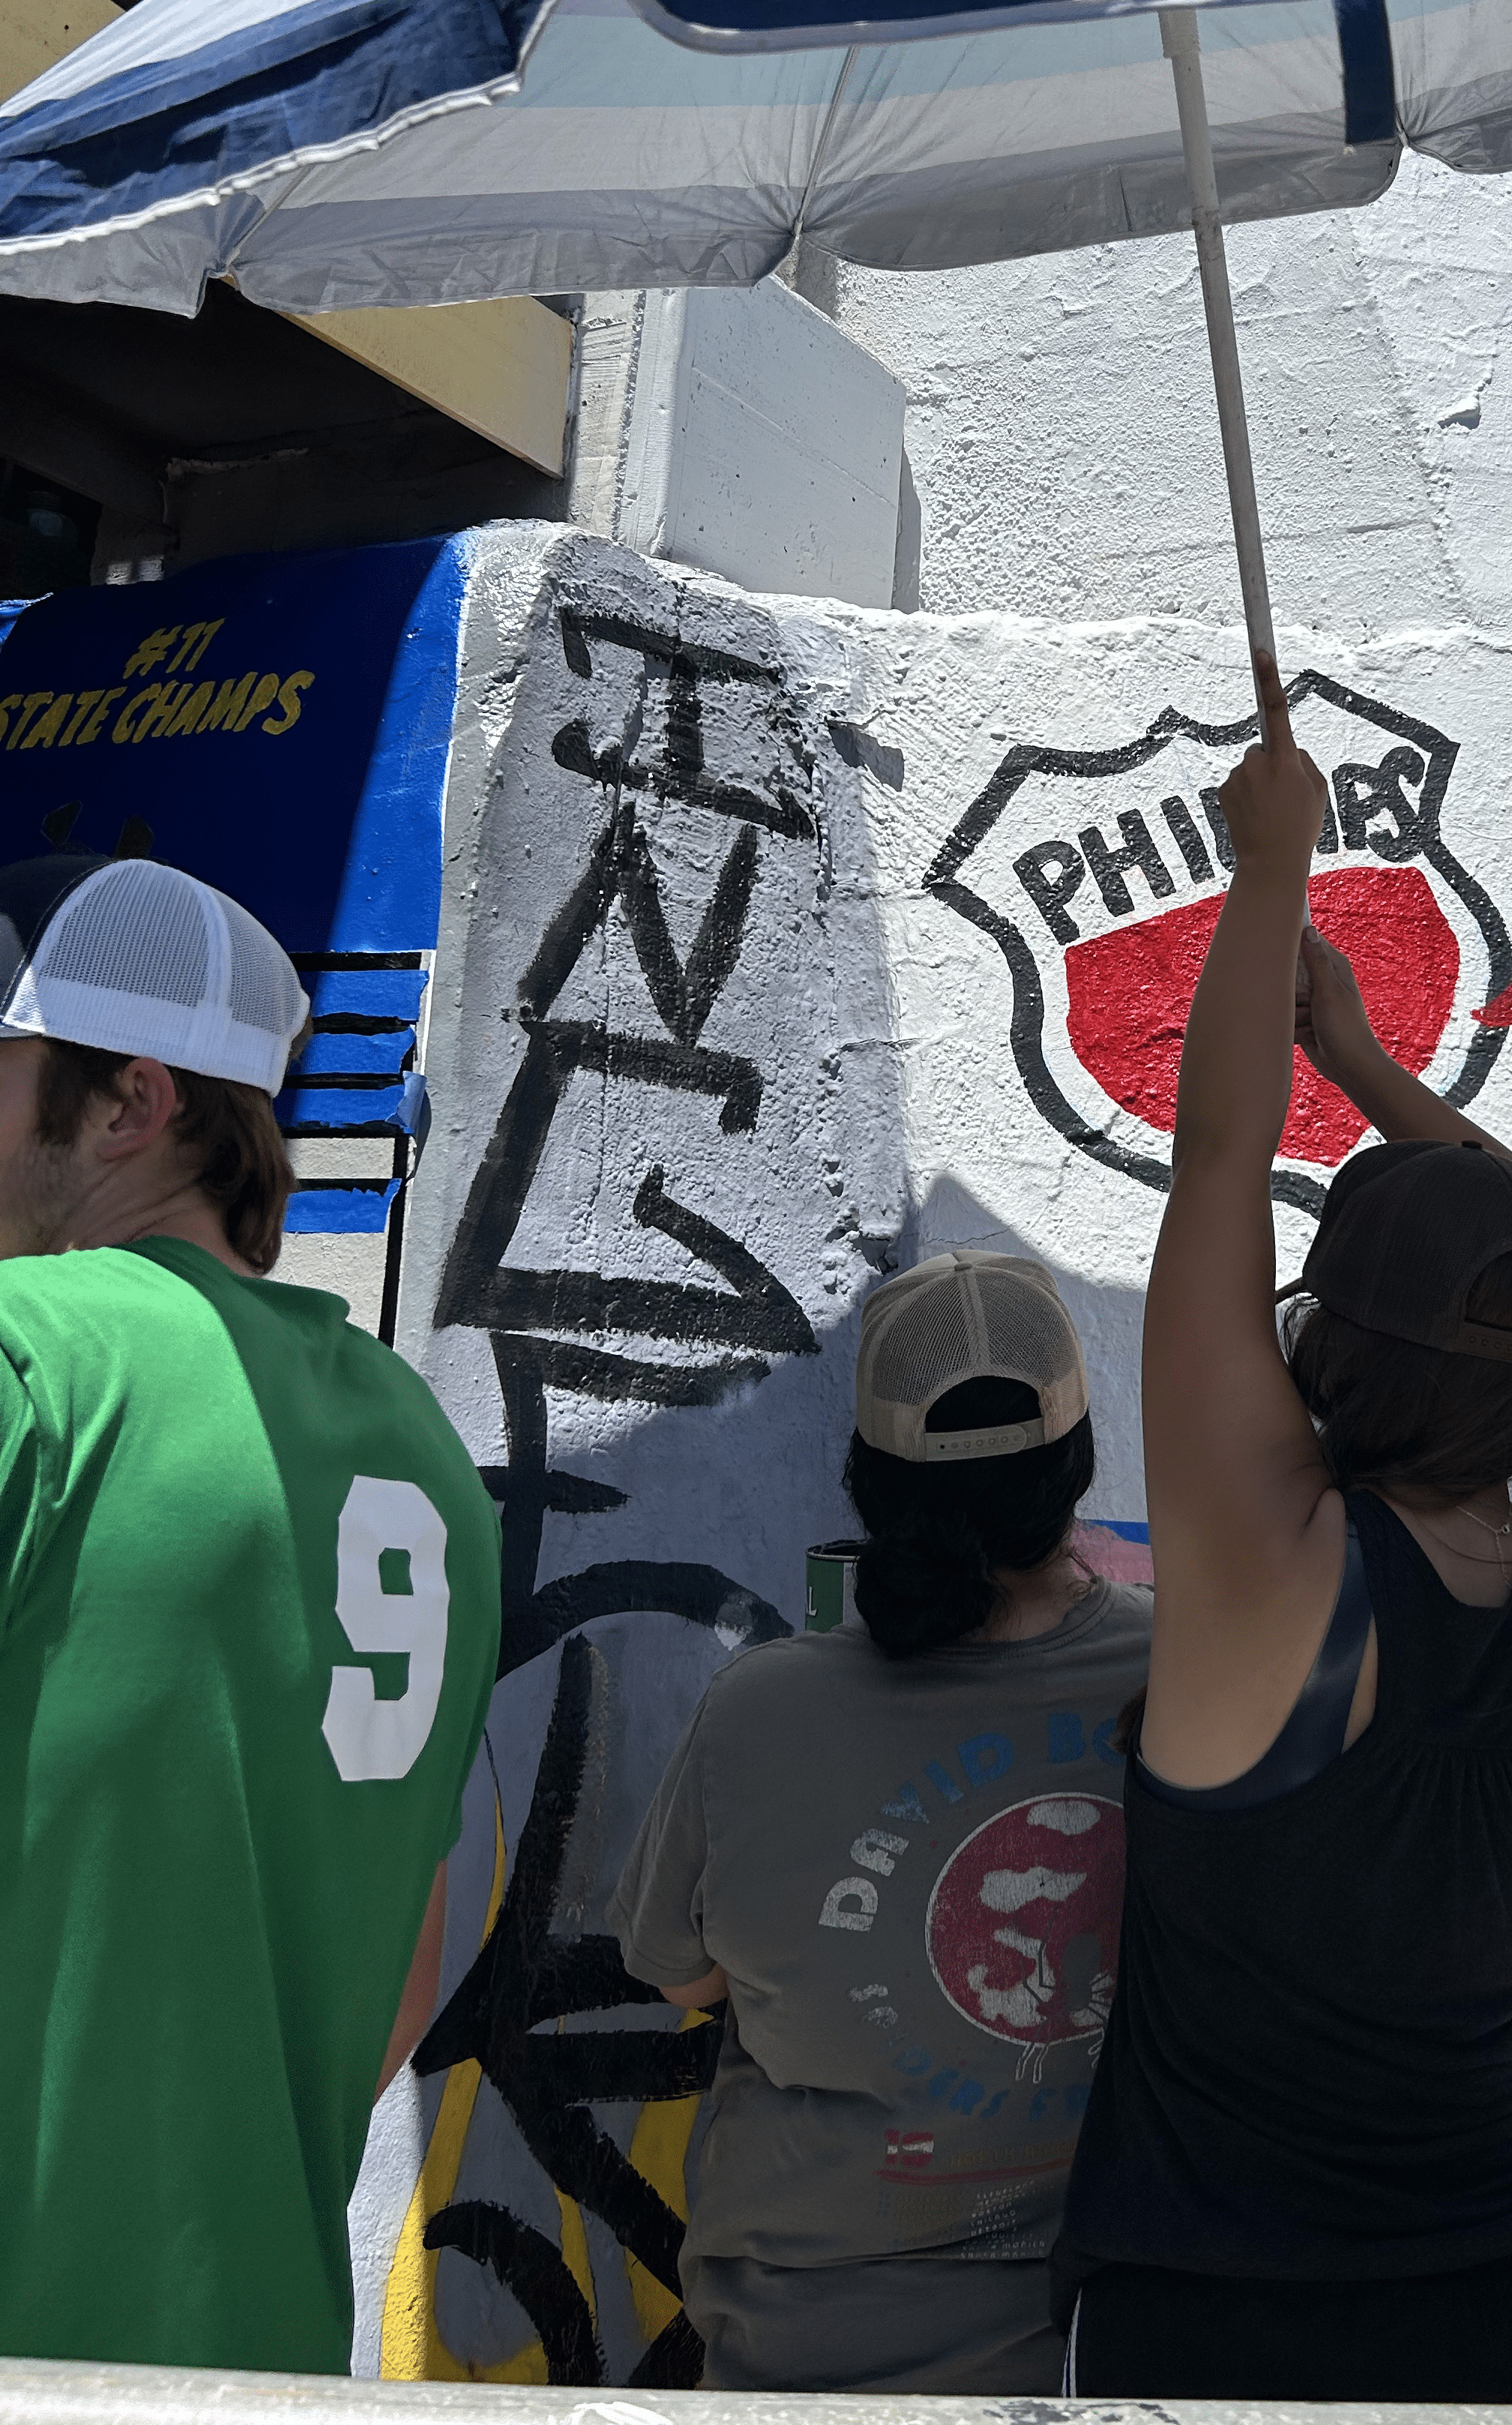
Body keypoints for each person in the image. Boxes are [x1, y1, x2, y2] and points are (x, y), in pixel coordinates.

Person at [1053, 653, 1512, 2402]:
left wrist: (1269, 875)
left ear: (1328, 1338)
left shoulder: (1275, 1564)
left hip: (1228, 2327)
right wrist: (1378, 1063)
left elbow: (1215, 1167)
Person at [0, 851, 500, 2374]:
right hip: (252, 2355)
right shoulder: (426, 1458)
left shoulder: (35, 1352)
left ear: (127, 1102)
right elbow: (393, 1997)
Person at [611, 1248, 1150, 2394]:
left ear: (871, 1479)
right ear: (1078, 1463)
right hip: (1096, 2356)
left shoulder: (759, 1707)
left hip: (797, 2364)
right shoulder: (1191, 1676)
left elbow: (679, 1977)